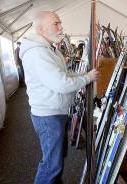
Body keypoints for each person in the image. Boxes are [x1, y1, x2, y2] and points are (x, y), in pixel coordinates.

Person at [19, 11, 100, 184]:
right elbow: (61, 84)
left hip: (55, 112)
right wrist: (87, 78)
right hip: (48, 116)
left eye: (60, 23)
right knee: (51, 164)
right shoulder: (38, 53)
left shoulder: (50, 49)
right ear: (40, 28)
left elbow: (65, 73)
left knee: (57, 160)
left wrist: (82, 75)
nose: (61, 27)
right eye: (56, 23)